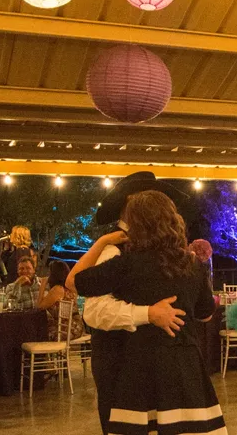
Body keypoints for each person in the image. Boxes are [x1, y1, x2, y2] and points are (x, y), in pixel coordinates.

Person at [69, 190, 225, 435]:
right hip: (185, 363)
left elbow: (75, 282)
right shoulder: (193, 263)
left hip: (141, 364)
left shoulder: (127, 264)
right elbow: (206, 313)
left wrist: (102, 242)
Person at [79, 171, 192, 434]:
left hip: (152, 365)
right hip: (118, 360)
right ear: (132, 203)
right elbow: (94, 311)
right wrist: (148, 313)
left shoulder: (163, 253)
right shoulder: (113, 249)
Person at [37, 260, 85, 342]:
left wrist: (42, 285)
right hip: (77, 327)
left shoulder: (57, 289)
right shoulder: (70, 289)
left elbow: (39, 307)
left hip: (65, 330)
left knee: (36, 331)